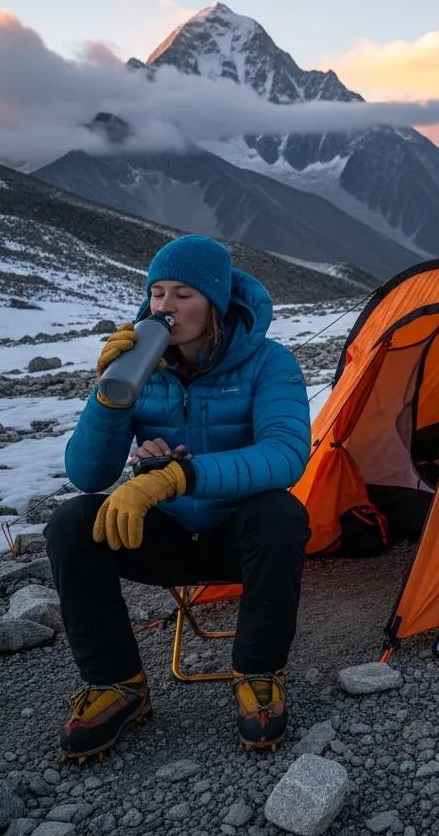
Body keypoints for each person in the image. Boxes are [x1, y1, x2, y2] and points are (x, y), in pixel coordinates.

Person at [45, 234, 311, 760]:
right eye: (158, 292)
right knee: (72, 523)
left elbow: (285, 454)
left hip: (236, 537)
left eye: (184, 293)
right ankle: (116, 683)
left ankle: (259, 674)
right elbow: (87, 473)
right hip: (165, 533)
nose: (165, 306)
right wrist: (108, 397)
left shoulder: (269, 363)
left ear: (216, 301)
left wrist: (178, 475)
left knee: (281, 514)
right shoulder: (138, 365)